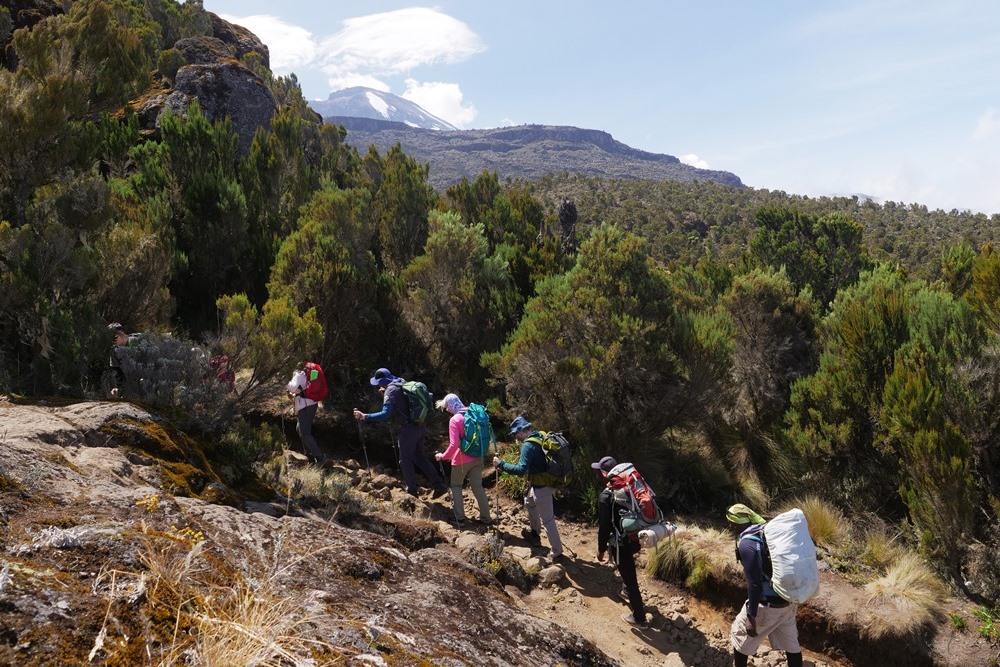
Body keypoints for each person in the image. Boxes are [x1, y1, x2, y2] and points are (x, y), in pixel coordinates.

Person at [726, 503, 803, 667]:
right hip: (787, 602)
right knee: (792, 647)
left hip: (767, 607)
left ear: (743, 521)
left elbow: (755, 584)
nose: (729, 525)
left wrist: (751, 615)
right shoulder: (766, 532)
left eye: (733, 521)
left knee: (740, 641)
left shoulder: (747, 544)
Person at [353, 368, 447, 498]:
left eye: (378, 383)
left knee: (405, 460)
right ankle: (439, 485)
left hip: (409, 429)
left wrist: (365, 416)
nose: (378, 386)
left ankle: (412, 491)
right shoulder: (400, 382)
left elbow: (385, 414)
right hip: (420, 425)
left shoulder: (390, 390)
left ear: (381, 382)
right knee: (419, 457)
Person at [492, 415, 564, 560]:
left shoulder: (528, 445)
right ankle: (535, 534)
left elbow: (520, 470)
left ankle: (557, 552)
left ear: (520, 432)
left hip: (542, 487)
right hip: (548, 481)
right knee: (529, 502)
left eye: (515, 434)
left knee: (548, 520)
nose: (515, 437)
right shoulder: (541, 435)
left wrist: (501, 464)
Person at [593, 455, 648, 628]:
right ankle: (626, 590)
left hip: (620, 543)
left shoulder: (606, 497)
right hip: (635, 537)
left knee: (630, 576)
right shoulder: (630, 488)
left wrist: (601, 550)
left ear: (604, 474)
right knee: (627, 567)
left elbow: (604, 527)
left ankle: (640, 618)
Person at [433, 393, 493, 528]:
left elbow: (454, 445)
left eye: (446, 407)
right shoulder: (474, 413)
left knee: (456, 486)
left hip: (461, 460)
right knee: (478, 487)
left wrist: (442, 457)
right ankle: (486, 518)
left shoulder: (455, 420)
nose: (447, 409)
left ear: (450, 405)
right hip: (478, 457)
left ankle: (459, 519)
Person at [286, 363, 327, 465]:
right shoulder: (309, 374)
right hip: (312, 405)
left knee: (305, 433)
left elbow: (291, 387)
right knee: (299, 429)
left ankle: (319, 457)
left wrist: (285, 383)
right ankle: (310, 453)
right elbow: (302, 389)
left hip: (305, 407)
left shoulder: (298, 375)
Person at [107, 323, 140, 397]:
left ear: (121, 333)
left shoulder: (137, 341)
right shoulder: (114, 351)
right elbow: (118, 372)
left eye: (114, 337)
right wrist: (118, 388)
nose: (113, 341)